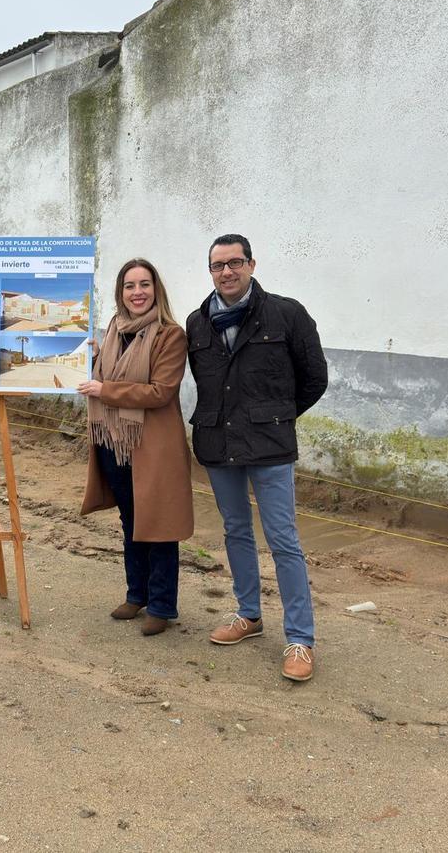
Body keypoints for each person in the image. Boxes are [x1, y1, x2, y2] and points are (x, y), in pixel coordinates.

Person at [185, 234, 328, 682]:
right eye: (217, 265)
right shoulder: (197, 322)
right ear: (209, 271)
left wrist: (274, 418)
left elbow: (314, 378)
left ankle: (300, 639)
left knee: (283, 539)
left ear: (251, 264)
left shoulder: (286, 313)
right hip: (219, 444)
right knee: (235, 531)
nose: (226, 272)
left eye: (235, 262)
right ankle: (248, 615)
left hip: (269, 447)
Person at [78, 259, 194, 637]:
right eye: (130, 285)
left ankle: (161, 605)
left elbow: (160, 392)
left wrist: (104, 390)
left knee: (159, 526)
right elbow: (107, 374)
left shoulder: (170, 335)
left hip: (154, 446)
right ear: (120, 292)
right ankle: (136, 593)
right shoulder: (113, 329)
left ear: (156, 289)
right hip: (117, 443)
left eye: (145, 284)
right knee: (131, 521)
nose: (138, 292)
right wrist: (94, 359)